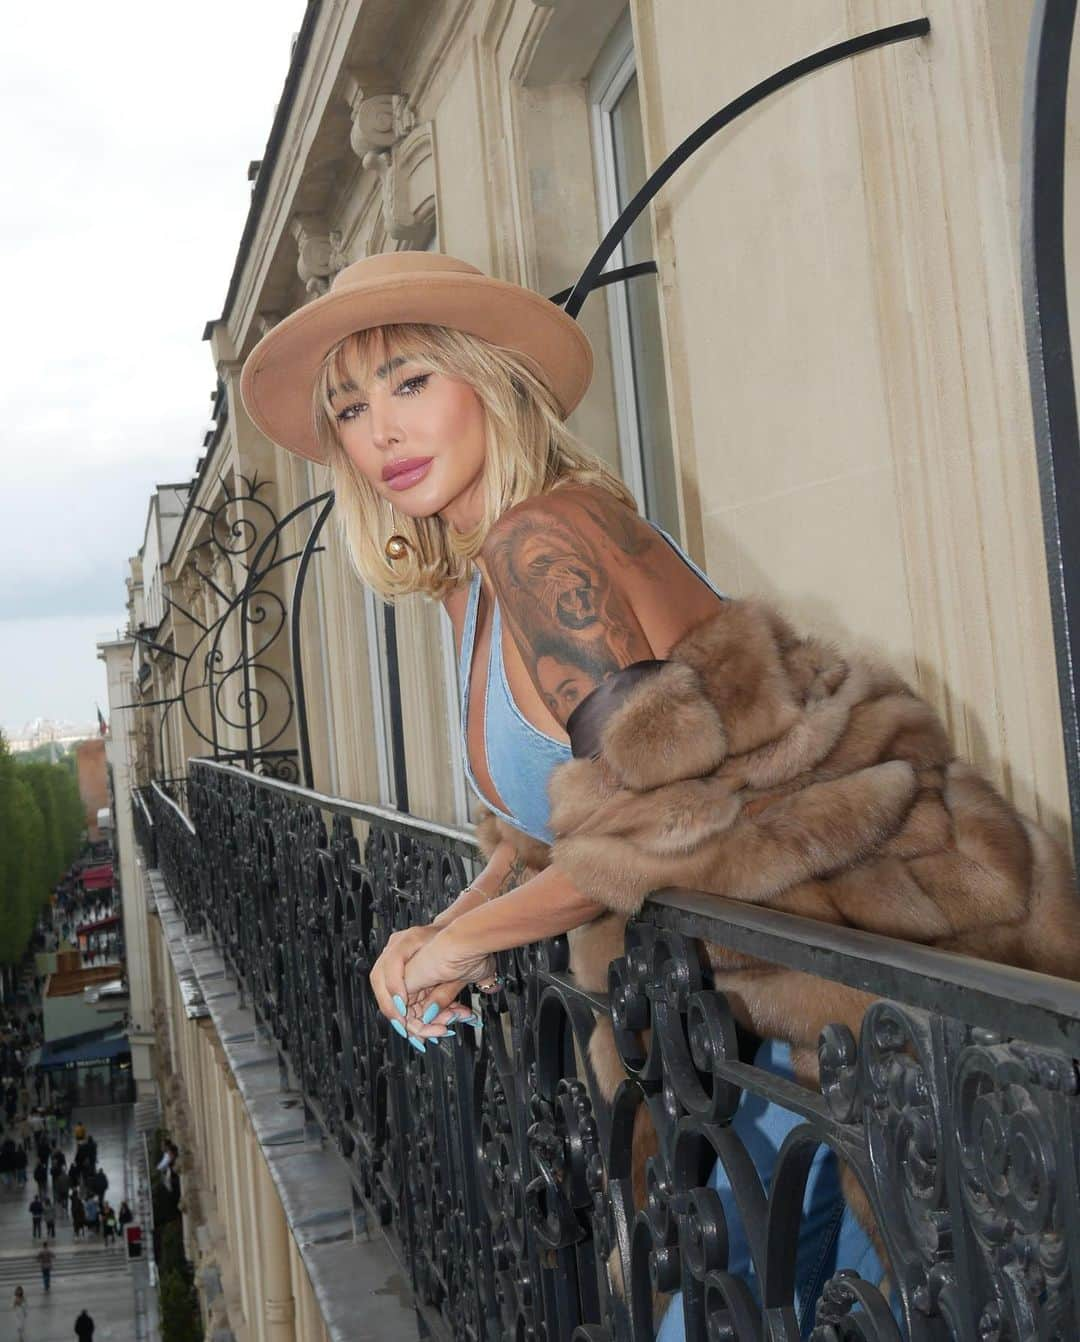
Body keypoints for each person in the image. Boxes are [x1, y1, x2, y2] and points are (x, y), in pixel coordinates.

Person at [238, 250, 884, 1329]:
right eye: (351, 407)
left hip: (837, 1006)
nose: (380, 432)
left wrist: (465, 947)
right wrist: (436, 929)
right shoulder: (471, 580)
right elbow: (550, 824)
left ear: (487, 380)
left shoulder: (548, 543)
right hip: (737, 1034)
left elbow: (663, 818)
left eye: (411, 384)